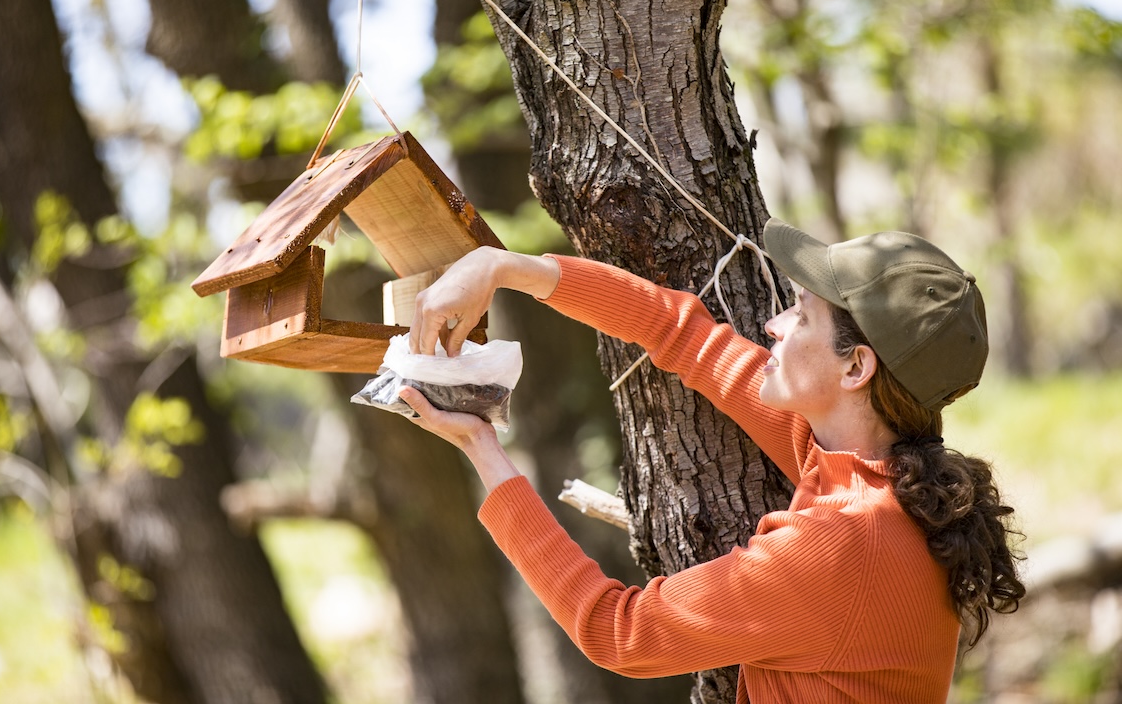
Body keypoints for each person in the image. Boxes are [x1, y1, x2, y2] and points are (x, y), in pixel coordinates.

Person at [394, 217, 1025, 703]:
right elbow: (680, 333)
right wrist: (502, 268)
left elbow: (618, 630)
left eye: (801, 316)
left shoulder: (845, 539)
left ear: (856, 367)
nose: (775, 325)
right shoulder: (865, 469)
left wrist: (482, 447)